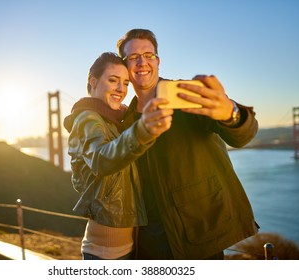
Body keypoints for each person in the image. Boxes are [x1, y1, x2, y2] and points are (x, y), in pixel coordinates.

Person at [117, 29, 259, 260]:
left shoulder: (186, 96)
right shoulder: (126, 121)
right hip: (150, 242)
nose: (142, 62)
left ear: (158, 60)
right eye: (133, 57)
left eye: (148, 55)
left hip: (201, 235)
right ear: (125, 66)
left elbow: (243, 135)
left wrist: (231, 114)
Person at [63, 52, 173, 260]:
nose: (121, 90)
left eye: (125, 83)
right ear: (93, 81)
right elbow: (101, 159)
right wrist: (142, 129)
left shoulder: (109, 121)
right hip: (106, 252)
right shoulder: (88, 119)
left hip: (125, 247)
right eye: (113, 80)